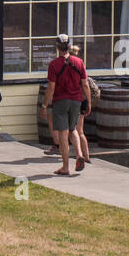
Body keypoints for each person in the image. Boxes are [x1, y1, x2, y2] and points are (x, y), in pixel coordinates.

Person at [42, 34, 91, 175]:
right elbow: (85, 84)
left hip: (61, 101)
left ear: (57, 47)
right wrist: (87, 102)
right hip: (76, 100)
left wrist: (44, 106)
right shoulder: (79, 62)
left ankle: (65, 167)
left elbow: (51, 87)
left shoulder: (54, 64)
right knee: (73, 129)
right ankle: (79, 154)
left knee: (63, 134)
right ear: (69, 46)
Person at [68, 44, 92, 164]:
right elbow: (86, 85)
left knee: (69, 129)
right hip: (82, 100)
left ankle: (78, 154)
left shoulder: (66, 66)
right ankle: (86, 156)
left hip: (71, 100)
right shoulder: (81, 65)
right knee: (80, 131)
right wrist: (88, 101)